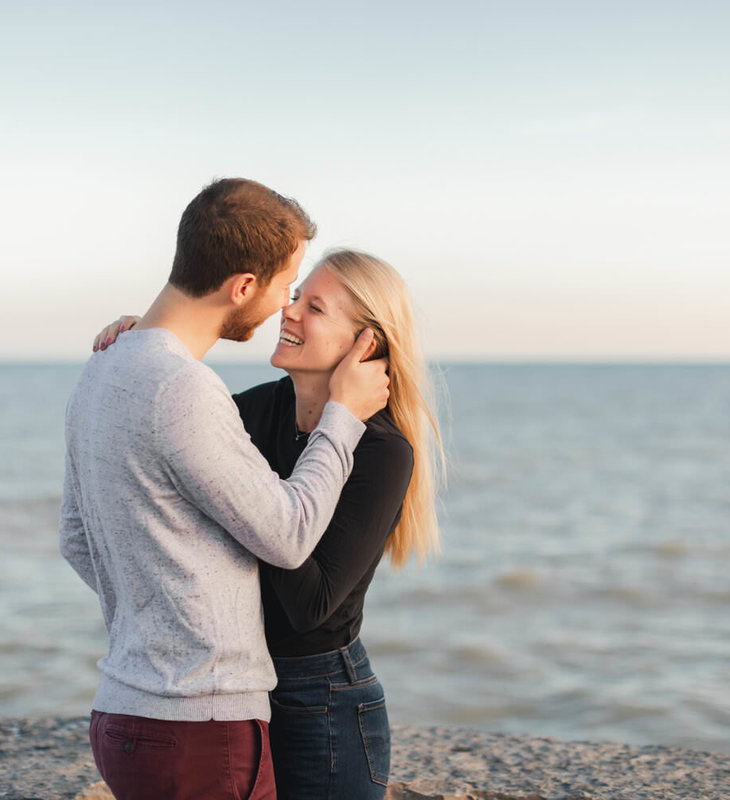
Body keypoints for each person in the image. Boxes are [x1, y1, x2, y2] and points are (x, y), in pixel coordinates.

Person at [60, 178, 390, 800]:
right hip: (199, 727)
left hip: (122, 715)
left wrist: (155, 611)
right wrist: (343, 415)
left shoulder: (104, 367)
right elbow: (290, 537)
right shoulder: (182, 388)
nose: (281, 309)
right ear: (242, 286)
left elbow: (78, 539)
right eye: (282, 288)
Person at [93, 248, 444, 799]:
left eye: (316, 308)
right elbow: (168, 439)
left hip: (321, 700)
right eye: (296, 295)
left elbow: (309, 607)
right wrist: (146, 351)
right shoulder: (250, 411)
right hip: (231, 692)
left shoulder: (381, 450)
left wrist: (256, 510)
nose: (290, 310)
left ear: (366, 344)